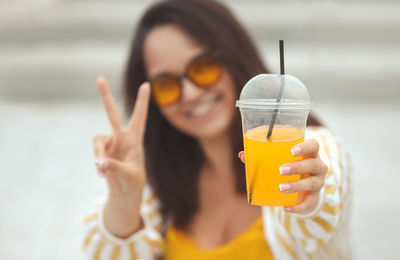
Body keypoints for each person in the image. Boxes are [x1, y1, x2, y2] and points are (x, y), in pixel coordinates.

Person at [82, 0, 353, 259]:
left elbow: (322, 210)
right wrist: (124, 203)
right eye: (166, 85)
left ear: (233, 57)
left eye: (203, 67)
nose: (190, 94)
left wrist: (310, 197)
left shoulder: (308, 147)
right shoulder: (159, 183)